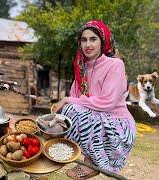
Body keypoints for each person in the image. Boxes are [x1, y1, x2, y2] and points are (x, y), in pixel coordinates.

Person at [52, 20, 136, 179]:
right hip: (94, 120)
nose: (87, 44)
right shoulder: (80, 67)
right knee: (64, 115)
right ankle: (83, 156)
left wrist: (67, 100)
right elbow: (75, 100)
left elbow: (107, 102)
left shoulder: (115, 65)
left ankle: (94, 161)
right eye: (84, 40)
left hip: (118, 126)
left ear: (102, 41)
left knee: (72, 108)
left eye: (93, 39)